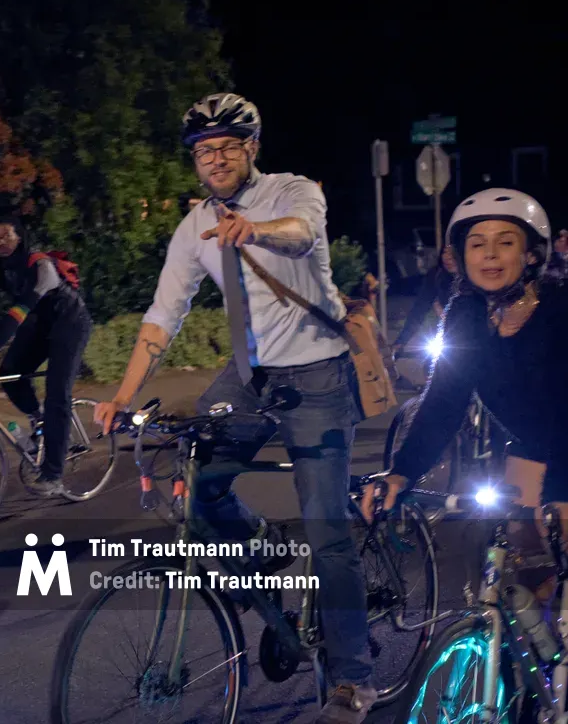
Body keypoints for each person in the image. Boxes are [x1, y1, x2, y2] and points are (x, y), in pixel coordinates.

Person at [93, 92, 376, 723]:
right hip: (250, 377)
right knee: (197, 488)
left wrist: (257, 230)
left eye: (227, 147)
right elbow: (164, 315)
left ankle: (354, 678)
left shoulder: (290, 192)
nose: (216, 159)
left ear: (251, 148)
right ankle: (263, 552)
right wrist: (123, 395)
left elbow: (303, 235)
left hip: (318, 373)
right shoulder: (194, 227)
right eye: (204, 151)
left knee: (327, 530)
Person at [368, 189, 568, 551]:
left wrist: (564, 494)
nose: (489, 254)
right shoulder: (465, 313)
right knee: (521, 551)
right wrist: (402, 473)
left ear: (531, 254)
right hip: (534, 447)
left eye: (505, 242)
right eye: (476, 244)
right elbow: (443, 402)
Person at [0, 212, 92, 497]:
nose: (1, 242)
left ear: (20, 237)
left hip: (69, 324)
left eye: (7, 236)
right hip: (39, 325)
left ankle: (53, 476)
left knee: (57, 395)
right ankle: (40, 420)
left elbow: (17, 313)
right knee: (10, 372)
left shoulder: (40, 266)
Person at [391, 248, 458, 361]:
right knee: (432, 363)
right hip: (448, 333)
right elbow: (420, 308)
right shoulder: (436, 275)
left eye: (453, 253)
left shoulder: (473, 277)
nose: (448, 257)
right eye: (445, 252)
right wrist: (401, 342)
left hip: (473, 336)